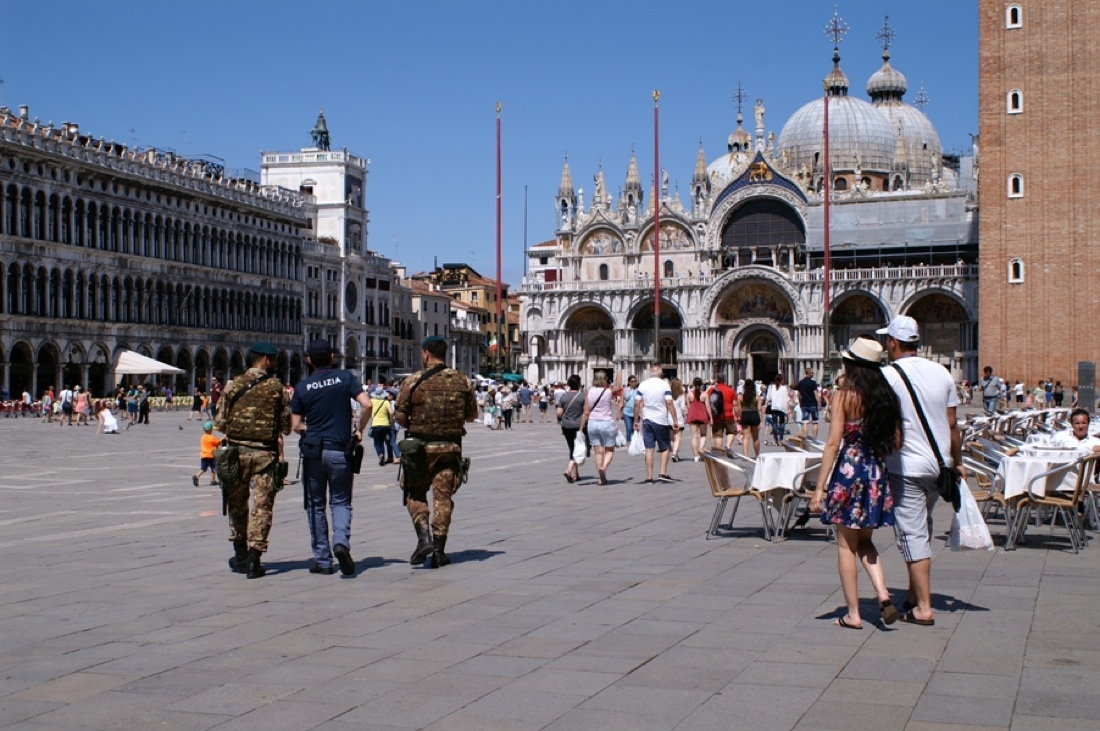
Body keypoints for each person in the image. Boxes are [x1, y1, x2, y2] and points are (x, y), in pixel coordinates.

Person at [810, 336, 903, 629]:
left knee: (846, 545)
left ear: (852, 365)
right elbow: (898, 442)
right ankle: (883, 593)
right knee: (866, 542)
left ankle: (853, 613)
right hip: (875, 472)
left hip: (849, 472)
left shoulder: (844, 396)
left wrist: (819, 487)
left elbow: (833, 443)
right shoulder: (887, 397)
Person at [878, 315, 965, 626]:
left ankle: (923, 607)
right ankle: (915, 594)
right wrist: (958, 462)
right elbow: (953, 425)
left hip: (906, 466)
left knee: (912, 531)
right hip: (939, 466)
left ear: (892, 342)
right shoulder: (942, 373)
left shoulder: (887, 375)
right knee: (923, 526)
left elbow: (883, 423)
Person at [394, 335, 478, 568]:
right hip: (450, 449)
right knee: (443, 499)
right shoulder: (463, 381)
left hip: (419, 450)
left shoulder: (412, 381)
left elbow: (400, 418)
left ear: (426, 353)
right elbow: (471, 415)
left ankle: (423, 538)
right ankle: (439, 551)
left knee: (414, 492)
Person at [290, 340, 372, 576]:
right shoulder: (345, 378)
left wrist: (311, 430)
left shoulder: (303, 387)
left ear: (309, 360)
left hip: (314, 452)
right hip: (340, 451)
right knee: (341, 501)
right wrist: (359, 430)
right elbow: (366, 404)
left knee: (315, 505)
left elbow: (295, 425)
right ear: (332, 356)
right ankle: (341, 543)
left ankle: (323, 561)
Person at [214, 342, 292, 579]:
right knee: (262, 507)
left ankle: (239, 555)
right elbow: (286, 427)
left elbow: (219, 422)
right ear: (265, 360)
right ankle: (254, 559)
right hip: (264, 456)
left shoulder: (232, 384)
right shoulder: (276, 387)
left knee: (237, 505)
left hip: (236, 455)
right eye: (274, 359)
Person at [634, 363, 679, 483]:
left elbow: (637, 403)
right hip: (661, 420)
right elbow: (669, 402)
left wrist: (636, 420)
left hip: (647, 420)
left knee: (649, 449)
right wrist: (675, 420)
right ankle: (662, 473)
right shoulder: (664, 385)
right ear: (660, 374)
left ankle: (649, 477)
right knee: (664, 447)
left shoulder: (643, 384)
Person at [579, 372, 617, 484]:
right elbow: (619, 387)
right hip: (606, 423)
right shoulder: (608, 391)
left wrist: (581, 428)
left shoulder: (589, 392)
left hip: (592, 423)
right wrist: (618, 377)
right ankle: (603, 468)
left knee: (598, 452)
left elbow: (586, 412)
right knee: (609, 450)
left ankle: (601, 479)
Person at [556, 375, 585, 483]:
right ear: (578, 384)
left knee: (572, 448)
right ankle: (568, 470)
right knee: (576, 448)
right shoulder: (582, 396)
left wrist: (564, 416)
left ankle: (576, 474)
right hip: (578, 426)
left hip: (566, 425)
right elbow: (586, 412)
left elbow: (559, 413)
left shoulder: (563, 397)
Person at [708, 374, 738, 452]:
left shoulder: (712, 390)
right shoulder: (731, 390)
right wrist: (737, 415)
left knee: (718, 435)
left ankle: (719, 450)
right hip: (729, 415)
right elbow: (735, 405)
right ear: (725, 380)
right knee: (731, 432)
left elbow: (706, 401)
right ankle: (728, 446)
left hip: (717, 415)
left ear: (716, 380)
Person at [685, 377, 711, 461]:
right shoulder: (704, 394)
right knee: (703, 435)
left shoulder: (689, 394)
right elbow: (707, 406)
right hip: (702, 415)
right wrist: (710, 417)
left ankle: (696, 456)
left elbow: (688, 406)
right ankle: (701, 448)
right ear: (701, 384)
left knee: (694, 437)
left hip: (693, 415)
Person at [368, 385, 395, 466]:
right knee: (382, 441)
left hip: (375, 424)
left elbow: (368, 408)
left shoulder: (372, 401)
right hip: (385, 424)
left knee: (377, 442)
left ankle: (380, 455)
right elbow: (391, 412)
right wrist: (390, 421)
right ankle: (383, 455)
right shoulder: (386, 402)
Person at [764, 375, 791, 445]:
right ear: (781, 380)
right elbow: (787, 399)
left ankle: (776, 439)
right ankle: (781, 438)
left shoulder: (771, 387)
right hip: (782, 408)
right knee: (782, 423)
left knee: (774, 423)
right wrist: (788, 409)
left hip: (774, 407)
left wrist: (765, 405)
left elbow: (768, 398)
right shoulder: (784, 388)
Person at [193, 421, 221, 487]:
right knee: (214, 468)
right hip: (211, 455)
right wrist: (223, 438)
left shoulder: (203, 437)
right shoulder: (212, 437)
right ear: (211, 430)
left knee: (203, 468)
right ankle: (213, 480)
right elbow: (218, 442)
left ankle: (197, 476)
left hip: (204, 455)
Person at [739, 378, 762, 458]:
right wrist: (760, 420)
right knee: (755, 437)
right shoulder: (757, 397)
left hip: (745, 415)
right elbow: (759, 409)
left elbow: (740, 409)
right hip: (754, 414)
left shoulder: (741, 397)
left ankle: (745, 455)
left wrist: (739, 417)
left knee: (746, 437)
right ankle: (757, 455)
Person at [796, 368, 821, 440]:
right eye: (812, 373)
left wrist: (800, 403)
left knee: (805, 422)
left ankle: (805, 437)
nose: (813, 374)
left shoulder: (801, 382)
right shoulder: (813, 383)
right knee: (815, 422)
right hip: (813, 404)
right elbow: (815, 393)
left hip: (804, 404)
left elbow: (799, 394)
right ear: (808, 373)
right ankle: (814, 438)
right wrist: (819, 403)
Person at [669, 378, 687, 462]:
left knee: (672, 438)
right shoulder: (681, 394)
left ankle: (675, 454)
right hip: (678, 418)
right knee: (678, 437)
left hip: (669, 418)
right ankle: (674, 453)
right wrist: (686, 412)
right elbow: (683, 407)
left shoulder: (668, 394)